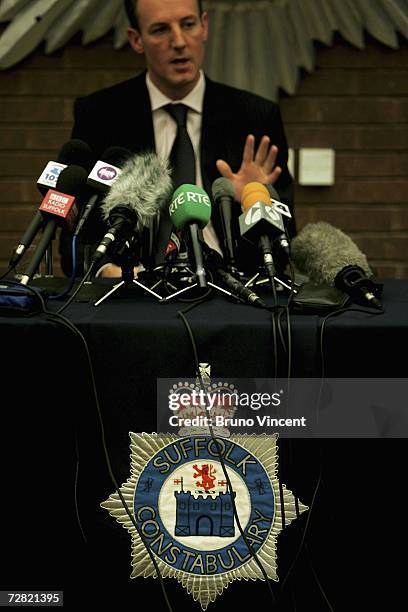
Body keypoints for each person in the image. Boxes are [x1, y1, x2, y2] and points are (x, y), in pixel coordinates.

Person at [60, 0, 294, 278]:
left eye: (188, 25)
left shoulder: (255, 117)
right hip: (133, 287)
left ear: (204, 26)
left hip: (229, 287)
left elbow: (285, 245)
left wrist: (249, 204)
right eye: (160, 30)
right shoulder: (100, 115)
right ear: (136, 40)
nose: (179, 41)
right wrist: (104, 270)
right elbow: (76, 232)